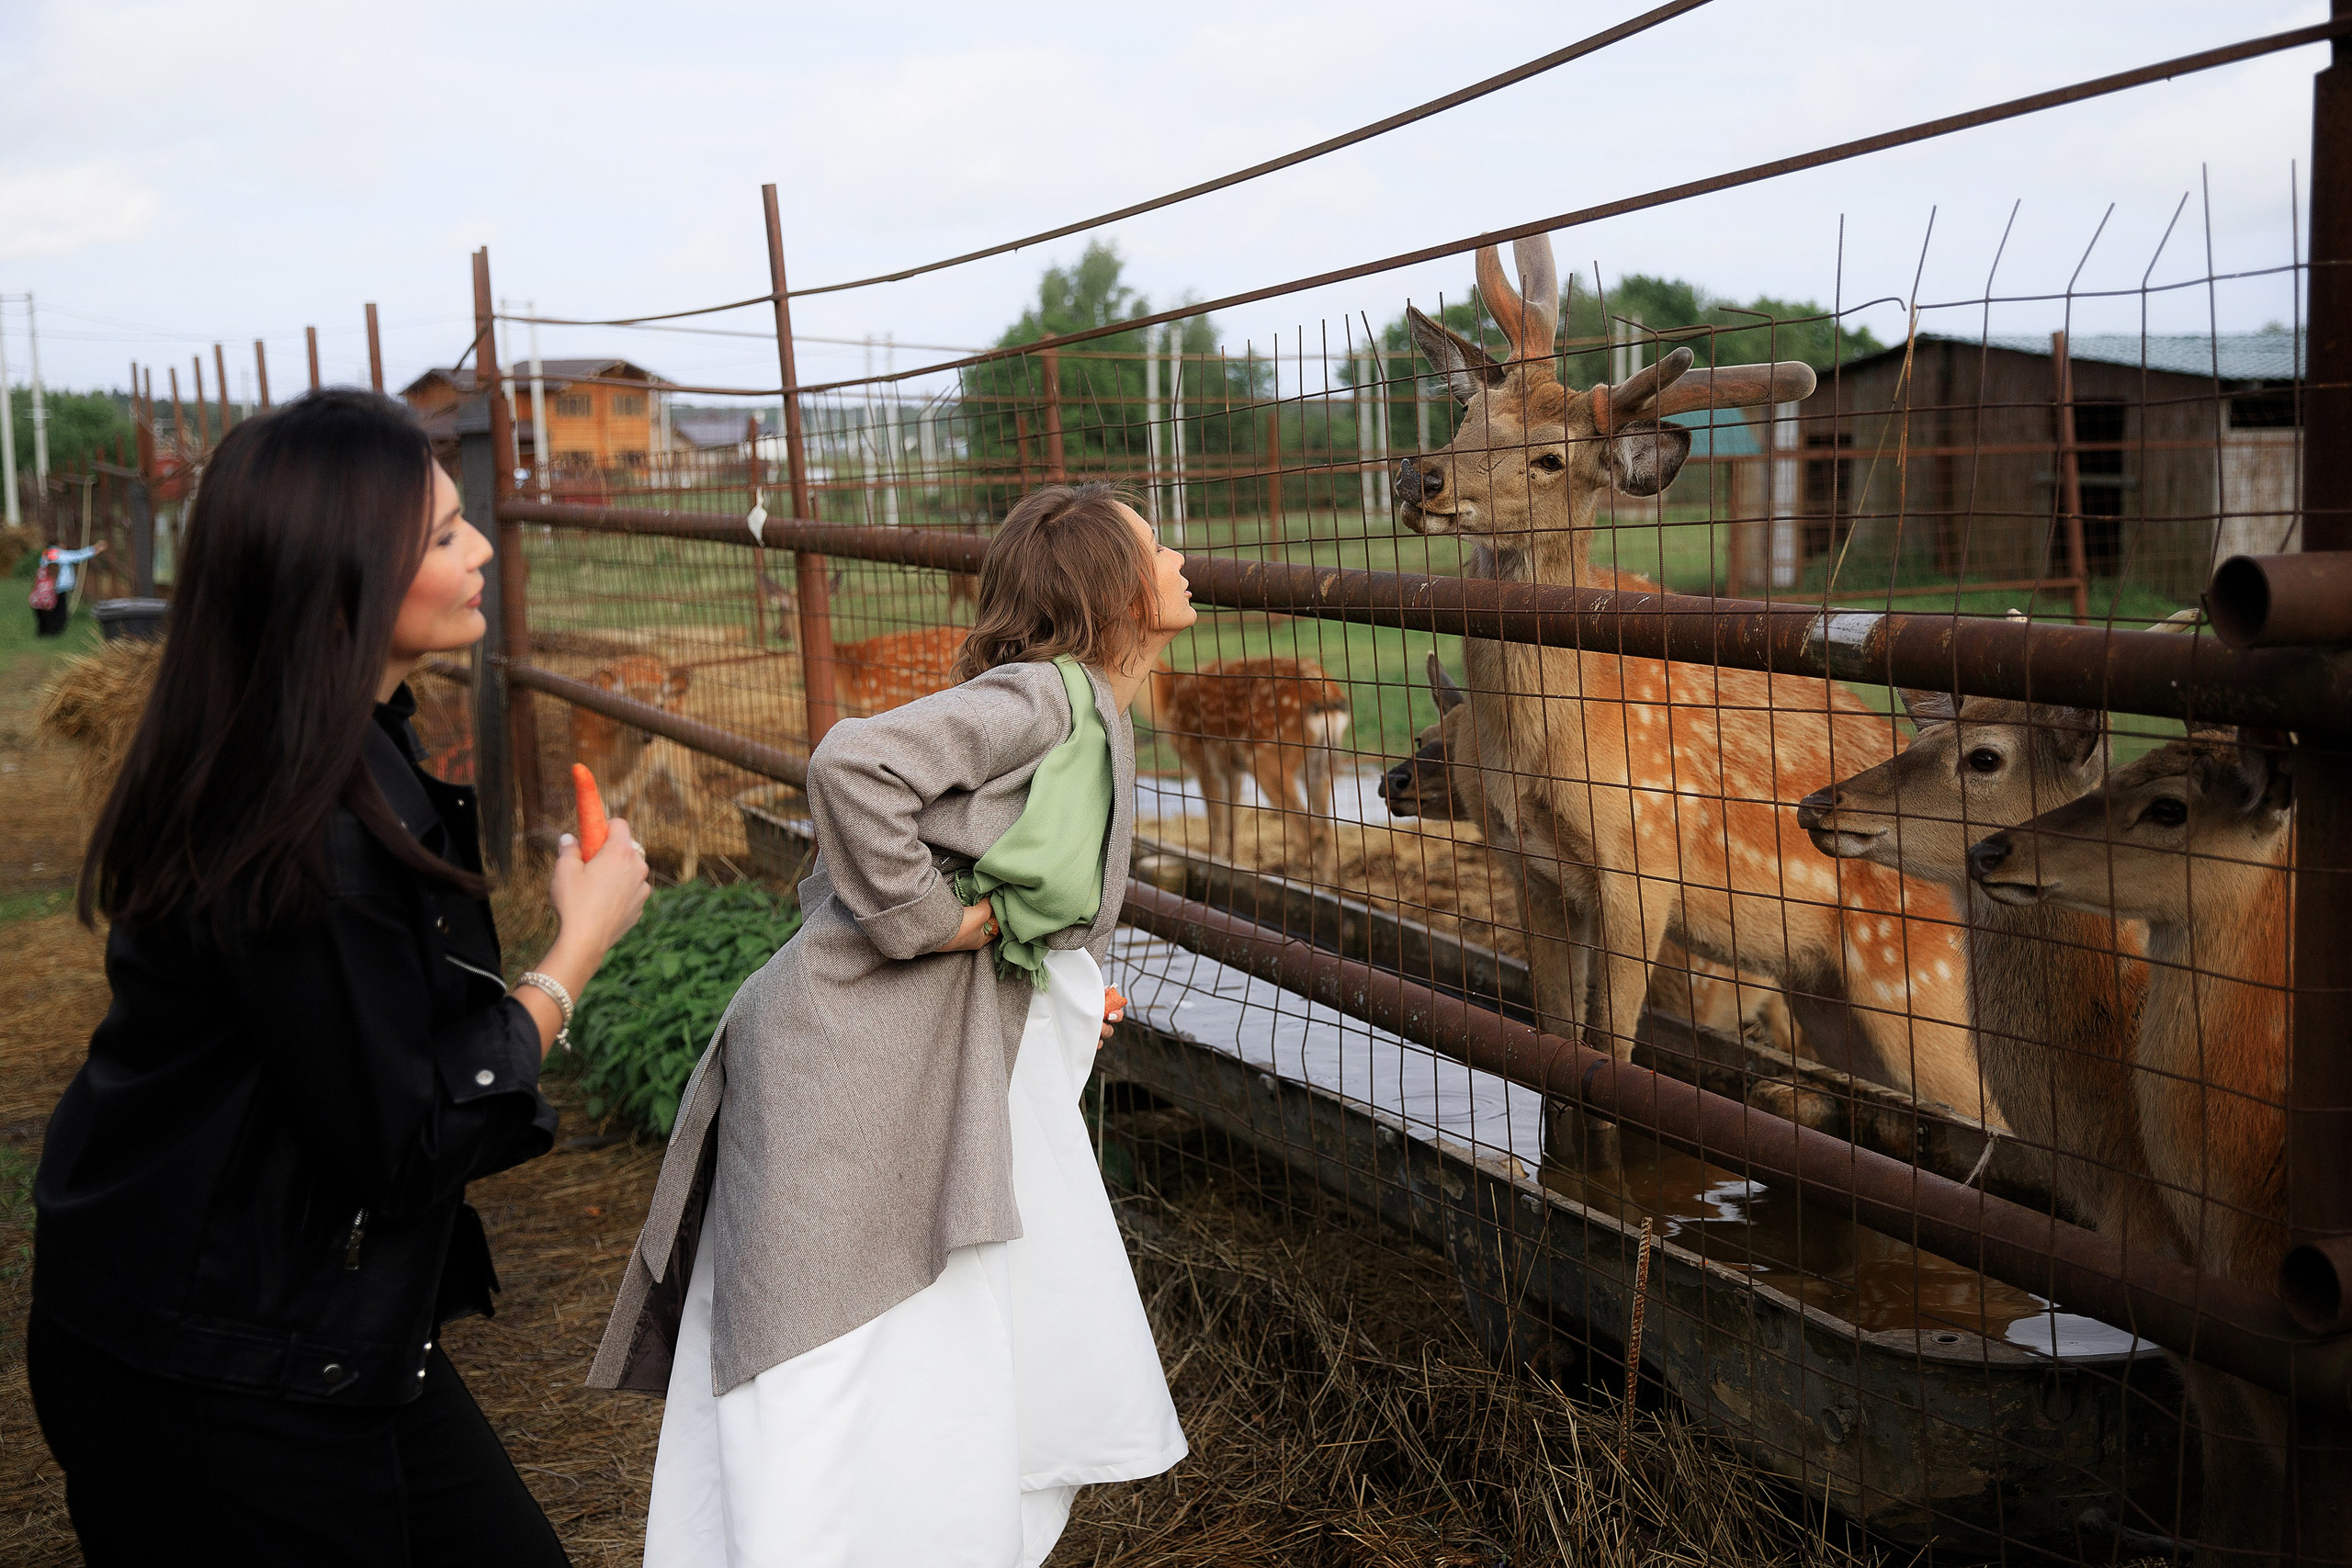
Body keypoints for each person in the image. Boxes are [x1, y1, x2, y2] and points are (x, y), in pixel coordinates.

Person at [28, 390, 652, 1565]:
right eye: (444, 537)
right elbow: (407, 1136)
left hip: (298, 1316)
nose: (480, 555)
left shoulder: (324, 743)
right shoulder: (303, 826)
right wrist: (578, 947)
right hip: (217, 1362)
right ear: (341, 576)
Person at [593, 483, 1195, 1568]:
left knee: (918, 1335)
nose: (1182, 560)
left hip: (902, 1063)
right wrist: (931, 923)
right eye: (1159, 548)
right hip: (845, 1063)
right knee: (830, 1343)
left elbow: (1021, 886)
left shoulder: (1080, 706)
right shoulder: (1041, 700)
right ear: (1114, 589)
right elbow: (850, 762)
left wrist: (1058, 987)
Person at [28, 541, 102, 637]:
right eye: (63, 545)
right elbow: (77, 556)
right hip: (58, 588)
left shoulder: (46, 554)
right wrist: (94, 549)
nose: (65, 547)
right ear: (59, 545)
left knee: (45, 611)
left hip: (45, 588)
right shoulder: (58, 553)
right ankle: (56, 632)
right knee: (59, 611)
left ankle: (44, 632)